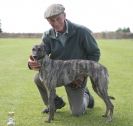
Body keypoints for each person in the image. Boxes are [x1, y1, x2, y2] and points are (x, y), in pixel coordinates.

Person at [28, 4, 100, 116]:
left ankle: (86, 96)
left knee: (77, 112)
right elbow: (40, 54)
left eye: (58, 19)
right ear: (48, 21)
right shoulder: (47, 35)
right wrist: (31, 62)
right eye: (52, 20)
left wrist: (82, 75)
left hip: (76, 75)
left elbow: (94, 53)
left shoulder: (82, 31)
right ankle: (55, 104)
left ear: (64, 16)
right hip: (56, 73)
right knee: (38, 78)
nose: (55, 23)